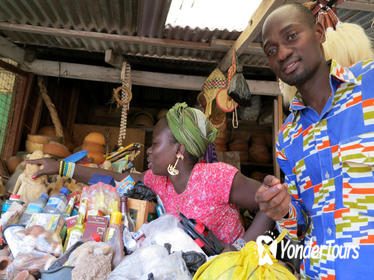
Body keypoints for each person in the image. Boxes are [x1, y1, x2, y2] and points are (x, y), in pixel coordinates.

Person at [30, 102, 273, 249]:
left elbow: (270, 200)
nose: (148, 150)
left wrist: (240, 249)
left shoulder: (216, 177)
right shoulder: (159, 181)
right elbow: (112, 179)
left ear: (179, 149)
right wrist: (62, 167)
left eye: (154, 144)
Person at [256, 2, 374, 279]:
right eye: (271, 50)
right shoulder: (288, 137)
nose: (283, 53)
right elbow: (298, 227)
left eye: (291, 36)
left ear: (319, 32)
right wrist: (282, 209)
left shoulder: (368, 85)